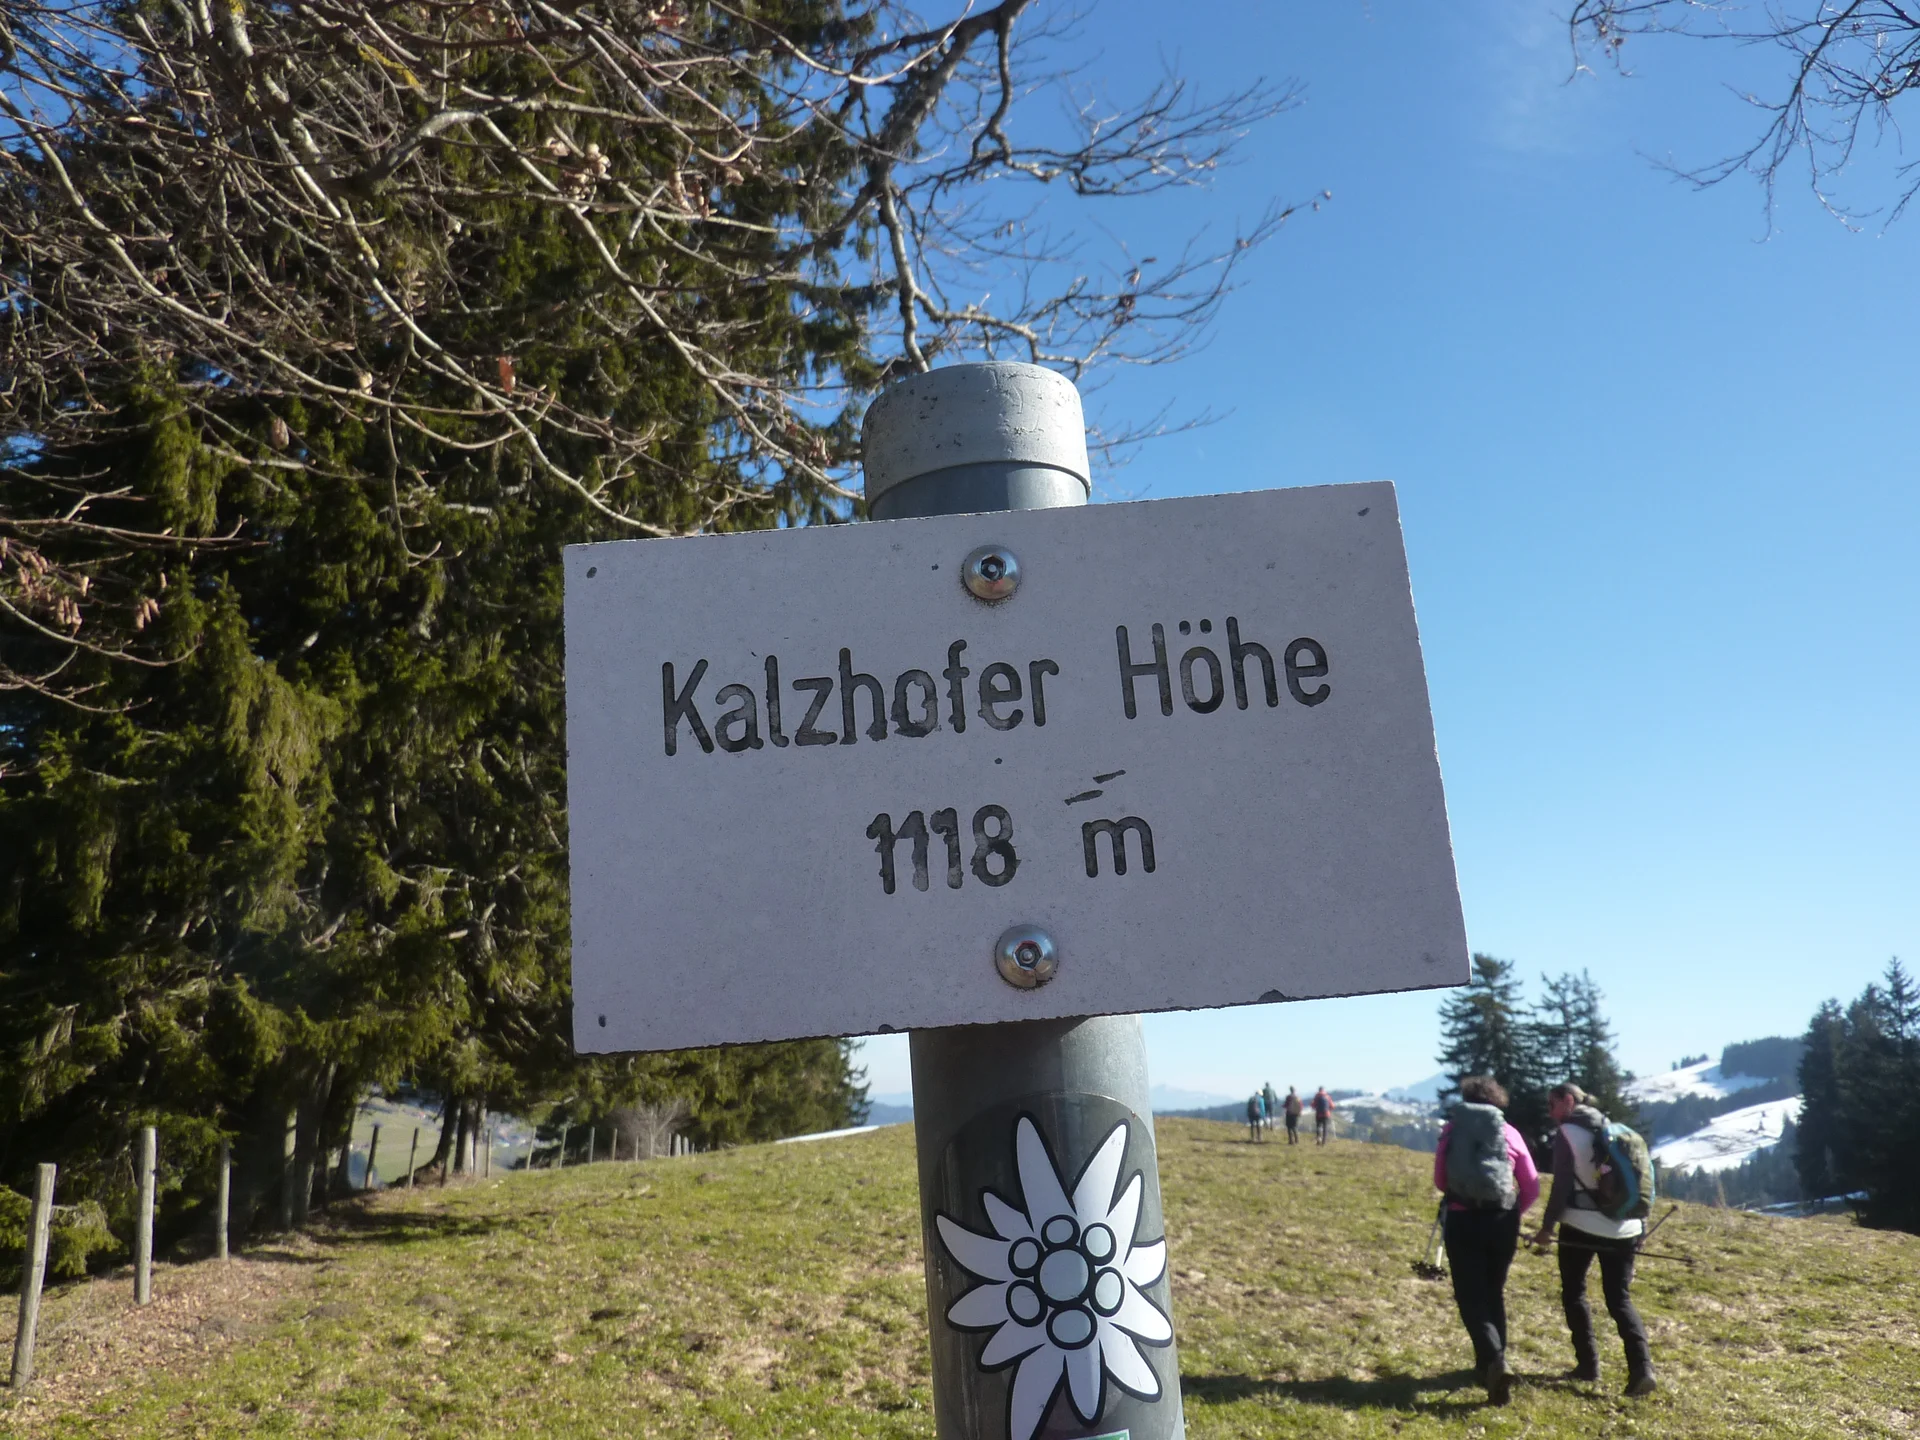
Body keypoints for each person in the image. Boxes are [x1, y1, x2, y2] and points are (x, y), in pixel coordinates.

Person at [1529, 1083, 1657, 1397]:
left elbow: (1560, 1188)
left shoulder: (1568, 1135)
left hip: (1580, 1225)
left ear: (1569, 1101)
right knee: (1619, 1299)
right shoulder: (1616, 1131)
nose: (1549, 1112)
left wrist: (1546, 1229)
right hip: (1625, 1227)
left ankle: (1588, 1365)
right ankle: (1642, 1369)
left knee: (1574, 1292)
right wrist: (1640, 1227)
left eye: (1552, 1104)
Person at [1433, 1075, 1539, 1406]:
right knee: (1493, 1292)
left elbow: (1440, 1180)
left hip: (1463, 1219)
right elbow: (1532, 1185)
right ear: (1497, 1102)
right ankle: (1492, 1367)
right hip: (1501, 1221)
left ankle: (1493, 1361)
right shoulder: (1510, 1133)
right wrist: (1511, 1214)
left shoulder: (1452, 1131)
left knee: (1469, 1295)